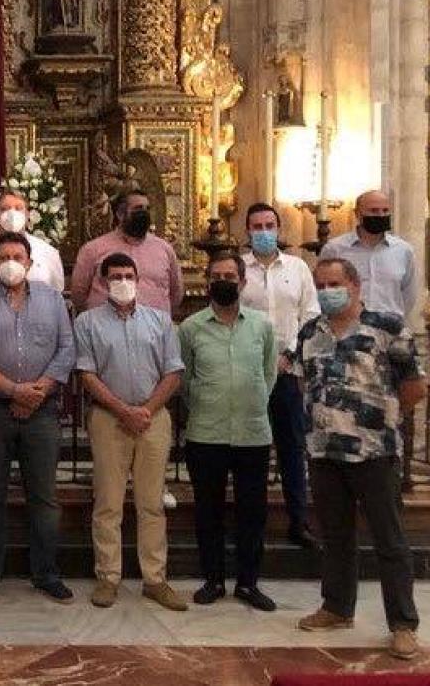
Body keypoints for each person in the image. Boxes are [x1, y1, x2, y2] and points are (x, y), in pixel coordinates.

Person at [293, 258, 425, 660]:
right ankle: (337, 607)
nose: (328, 290)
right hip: (324, 451)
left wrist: (379, 417)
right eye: (321, 284)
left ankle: (402, 624)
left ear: (355, 286)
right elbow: (303, 381)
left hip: (374, 451)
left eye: (335, 283)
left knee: (390, 540)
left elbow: (416, 387)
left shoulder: (388, 327)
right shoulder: (310, 331)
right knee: (336, 536)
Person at [0, 232, 76, 604]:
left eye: (17, 255)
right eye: (4, 256)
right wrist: (13, 391)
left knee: (43, 496)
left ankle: (46, 573)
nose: (11, 261)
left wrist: (35, 392)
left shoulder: (54, 300)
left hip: (41, 410)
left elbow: (66, 349)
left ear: (29, 262)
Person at [74, 252, 187, 611]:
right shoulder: (88, 323)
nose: (123, 281)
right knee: (108, 503)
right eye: (115, 276)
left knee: (151, 503)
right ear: (104, 282)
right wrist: (122, 410)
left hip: (153, 417)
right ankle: (108, 577)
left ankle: (155, 579)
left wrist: (146, 410)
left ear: (137, 280)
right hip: (109, 418)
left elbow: (173, 371)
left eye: (128, 275)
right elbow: (87, 374)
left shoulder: (160, 321)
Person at [179, 251, 278, 611]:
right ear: (208, 283)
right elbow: (186, 380)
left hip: (252, 432)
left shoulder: (262, 326)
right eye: (217, 276)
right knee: (209, 510)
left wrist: (250, 402)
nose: (224, 282)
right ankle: (214, 579)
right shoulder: (190, 329)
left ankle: (249, 583)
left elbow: (269, 375)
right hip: (206, 432)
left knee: (253, 511)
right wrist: (208, 403)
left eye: (230, 276)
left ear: (242, 281)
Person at [240, 202, 320, 549]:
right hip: (248, 373)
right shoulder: (239, 269)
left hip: (287, 372)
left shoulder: (298, 268)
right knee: (249, 451)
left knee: (292, 447)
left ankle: (298, 521)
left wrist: (290, 356)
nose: (263, 232)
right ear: (247, 232)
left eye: (269, 225)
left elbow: (311, 316)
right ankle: (249, 524)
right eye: (256, 227)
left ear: (279, 228)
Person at [71, 189, 183, 314]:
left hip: (154, 329)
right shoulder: (93, 249)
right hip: (106, 329)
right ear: (120, 214)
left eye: (147, 209)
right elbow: (79, 295)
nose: (144, 213)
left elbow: (176, 293)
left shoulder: (164, 249)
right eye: (138, 208)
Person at [320, 190, 417, 320]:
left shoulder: (403, 250)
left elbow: (408, 295)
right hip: (349, 330)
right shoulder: (335, 249)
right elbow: (322, 289)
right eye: (374, 210)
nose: (381, 215)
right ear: (358, 214)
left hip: (390, 330)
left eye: (385, 210)